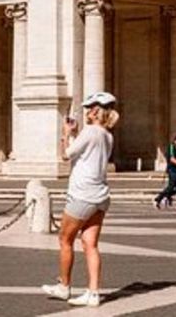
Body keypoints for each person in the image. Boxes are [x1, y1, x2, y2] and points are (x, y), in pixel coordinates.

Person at [41, 92, 120, 308]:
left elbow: (66, 155)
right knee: (90, 244)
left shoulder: (90, 131)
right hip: (100, 195)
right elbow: (85, 154)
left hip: (82, 194)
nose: (86, 112)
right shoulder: (107, 135)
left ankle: (64, 286)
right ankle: (93, 293)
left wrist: (66, 134)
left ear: (95, 111)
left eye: (89, 109)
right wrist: (76, 135)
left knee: (65, 239)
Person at [154, 132, 176, 209]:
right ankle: (158, 199)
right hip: (173, 171)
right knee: (171, 187)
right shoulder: (171, 147)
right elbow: (172, 159)